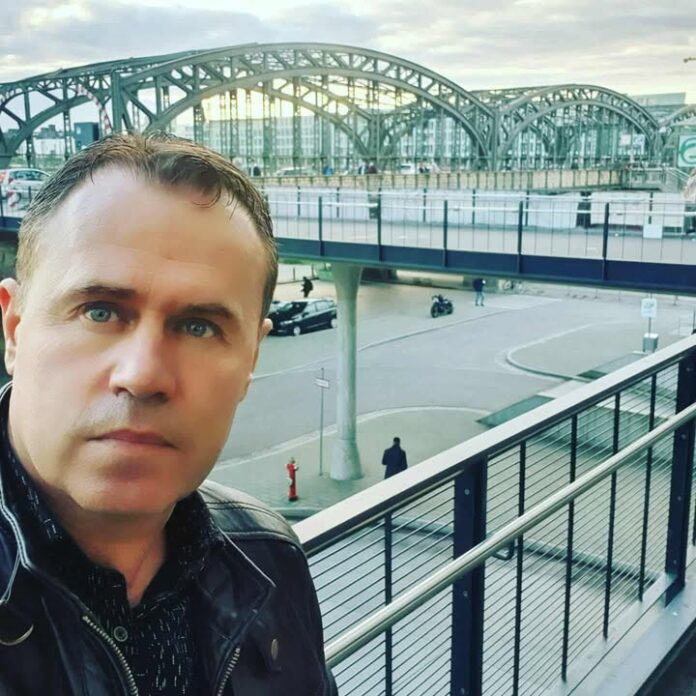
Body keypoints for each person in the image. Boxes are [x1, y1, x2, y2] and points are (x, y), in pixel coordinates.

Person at [0, 134, 335, 695]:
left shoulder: (270, 555)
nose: (143, 375)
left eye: (199, 327)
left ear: (251, 359)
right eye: (100, 311)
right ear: (15, 330)